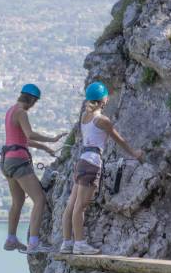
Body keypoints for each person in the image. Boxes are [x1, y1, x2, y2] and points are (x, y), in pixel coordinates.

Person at [60, 82, 144, 255]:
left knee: (71, 204)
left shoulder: (85, 116)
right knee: (81, 206)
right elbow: (119, 140)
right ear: (103, 99)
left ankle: (67, 243)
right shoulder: (102, 120)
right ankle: (79, 243)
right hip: (92, 163)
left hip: (82, 160)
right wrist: (135, 153)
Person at [1, 84, 66, 253]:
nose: (33, 105)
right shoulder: (22, 113)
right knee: (39, 199)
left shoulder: (10, 111)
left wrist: (45, 149)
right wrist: (51, 140)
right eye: (34, 102)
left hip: (7, 161)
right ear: (31, 100)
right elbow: (29, 135)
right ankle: (34, 242)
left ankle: (11, 239)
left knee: (18, 202)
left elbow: (22, 139)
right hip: (19, 162)